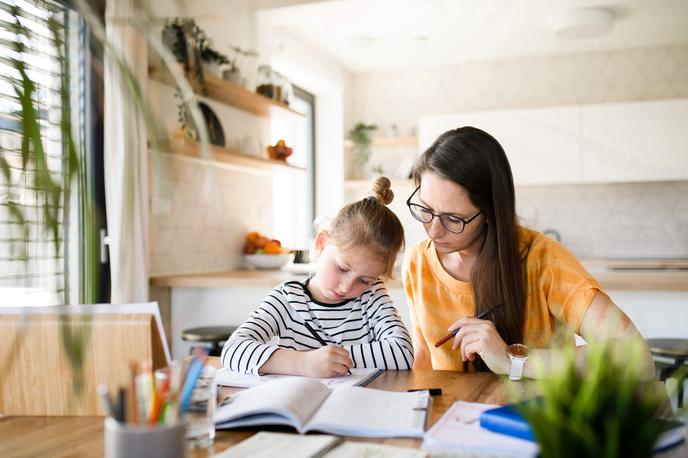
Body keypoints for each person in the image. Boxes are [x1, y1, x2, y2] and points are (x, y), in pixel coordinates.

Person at [402, 126, 654, 379]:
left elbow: (636, 358)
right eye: (425, 209)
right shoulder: (416, 262)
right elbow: (423, 362)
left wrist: (512, 360)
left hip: (535, 416)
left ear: (490, 212)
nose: (433, 231)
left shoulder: (543, 260)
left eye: (453, 219)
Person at [222, 176, 414, 377]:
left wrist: (331, 359)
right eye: (342, 268)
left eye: (364, 280)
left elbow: (403, 351)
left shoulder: (372, 296)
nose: (347, 287)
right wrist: (302, 362)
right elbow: (233, 350)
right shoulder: (287, 299)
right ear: (321, 244)